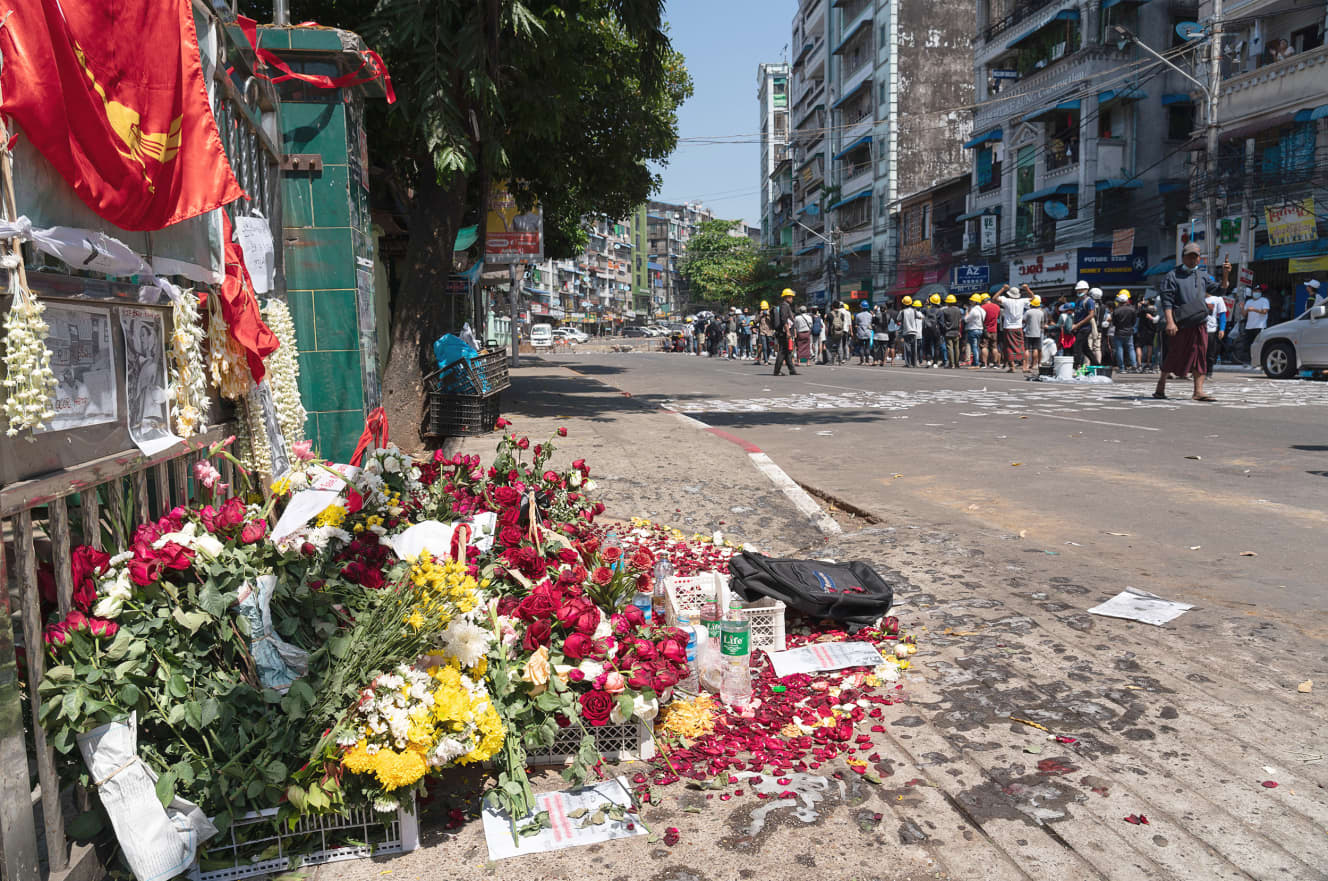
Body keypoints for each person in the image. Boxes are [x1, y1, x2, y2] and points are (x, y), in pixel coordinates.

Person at [1155, 242, 1230, 401]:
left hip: (1199, 323)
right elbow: (1166, 301)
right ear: (1183, 257)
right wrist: (1170, 322)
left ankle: (1198, 391)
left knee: (1200, 355)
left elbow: (1220, 290)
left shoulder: (1203, 276)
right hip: (1180, 323)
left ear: (1199, 259)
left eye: (1195, 257)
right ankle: (1161, 385)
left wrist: (1225, 274)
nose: (1192, 260)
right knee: (1174, 353)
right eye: (1189, 257)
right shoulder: (1172, 276)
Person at [993, 283, 1030, 373]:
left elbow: (994, 298)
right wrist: (1027, 289)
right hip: (1018, 327)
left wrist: (1003, 288)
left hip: (1008, 327)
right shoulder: (1022, 301)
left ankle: (1012, 366)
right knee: (1021, 346)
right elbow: (1033, 298)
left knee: (1008, 347)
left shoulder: (1006, 301)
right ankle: (1024, 366)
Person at [1069, 281, 1097, 368]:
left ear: (1086, 290)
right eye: (1078, 290)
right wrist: (1074, 325)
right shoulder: (1077, 301)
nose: (1079, 292)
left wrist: (1078, 325)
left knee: (1077, 346)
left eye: (1081, 290)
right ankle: (1096, 364)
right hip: (1078, 328)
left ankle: (1076, 365)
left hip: (1085, 328)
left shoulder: (1089, 301)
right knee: (1085, 349)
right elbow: (1076, 315)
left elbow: (1091, 315)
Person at [1241, 285, 1270, 364]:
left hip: (1259, 326)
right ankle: (1248, 361)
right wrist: (1243, 308)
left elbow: (1265, 311)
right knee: (1248, 345)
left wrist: (1254, 309)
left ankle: (1259, 361)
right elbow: (1244, 314)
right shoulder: (1249, 302)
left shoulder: (1264, 300)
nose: (1257, 293)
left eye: (1258, 291)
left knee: (1259, 345)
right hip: (1249, 326)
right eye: (1255, 291)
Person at [772, 289, 798, 376]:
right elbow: (784, 319)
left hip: (785, 331)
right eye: (790, 297)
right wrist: (787, 331)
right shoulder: (784, 306)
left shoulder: (786, 306)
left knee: (787, 352)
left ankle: (792, 370)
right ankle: (776, 371)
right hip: (783, 332)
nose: (792, 299)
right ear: (786, 297)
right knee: (783, 351)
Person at [1111, 290, 1138, 372]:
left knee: (1119, 349)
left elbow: (1114, 322)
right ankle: (1134, 364)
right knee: (1131, 348)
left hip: (1119, 332)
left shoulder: (1116, 311)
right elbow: (1134, 321)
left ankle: (1122, 368)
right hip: (1129, 332)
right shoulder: (1132, 309)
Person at [1204, 284, 1228, 373]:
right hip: (1198, 328)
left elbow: (1222, 315)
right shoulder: (1198, 297)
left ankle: (1209, 371)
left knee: (1210, 352)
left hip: (1211, 330)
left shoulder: (1218, 299)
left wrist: (1222, 329)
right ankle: (1197, 370)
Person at [940, 294, 964, 368]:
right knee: (957, 348)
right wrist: (960, 331)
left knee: (950, 348)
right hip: (956, 331)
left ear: (948, 302)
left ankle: (952, 364)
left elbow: (943, 322)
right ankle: (957, 364)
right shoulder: (958, 310)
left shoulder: (945, 311)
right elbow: (960, 322)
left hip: (948, 332)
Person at [1023, 294, 1045, 374]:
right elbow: (1042, 322)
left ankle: (1027, 364)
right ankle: (1034, 364)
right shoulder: (1041, 312)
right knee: (1036, 349)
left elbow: (1024, 320)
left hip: (1028, 332)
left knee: (1027, 349)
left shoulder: (1028, 312)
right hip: (1038, 332)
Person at [900, 295, 922, 366]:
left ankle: (908, 363)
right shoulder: (914, 311)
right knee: (914, 348)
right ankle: (914, 363)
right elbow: (921, 317)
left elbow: (898, 319)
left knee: (907, 348)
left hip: (906, 332)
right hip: (914, 332)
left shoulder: (902, 312)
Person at [963, 294, 985, 367]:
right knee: (977, 347)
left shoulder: (973, 310)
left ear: (974, 302)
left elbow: (966, 319)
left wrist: (967, 312)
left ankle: (976, 363)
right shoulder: (982, 310)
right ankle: (976, 362)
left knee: (974, 347)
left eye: (971, 301)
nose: (970, 302)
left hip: (973, 330)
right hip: (980, 329)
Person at [980, 292, 1000, 368]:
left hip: (985, 330)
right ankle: (995, 364)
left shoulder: (983, 308)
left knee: (984, 347)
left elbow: (981, 319)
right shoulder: (997, 307)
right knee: (994, 347)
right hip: (994, 330)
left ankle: (984, 363)